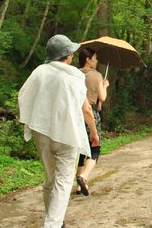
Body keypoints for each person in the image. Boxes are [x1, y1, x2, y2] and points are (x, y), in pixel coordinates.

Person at [18, 34, 99, 228]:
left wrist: (33, 119)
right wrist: (93, 132)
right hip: (67, 134)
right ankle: (52, 224)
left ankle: (54, 220)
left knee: (50, 179)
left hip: (43, 131)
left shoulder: (39, 72)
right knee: (63, 181)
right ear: (67, 55)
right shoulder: (75, 77)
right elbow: (86, 109)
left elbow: (23, 95)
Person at [75, 47, 109, 196]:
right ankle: (83, 177)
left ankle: (78, 185)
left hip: (75, 114)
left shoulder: (74, 73)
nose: (97, 61)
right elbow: (102, 97)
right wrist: (105, 85)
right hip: (91, 113)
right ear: (88, 59)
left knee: (82, 149)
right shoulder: (97, 75)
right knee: (95, 149)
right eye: (95, 58)